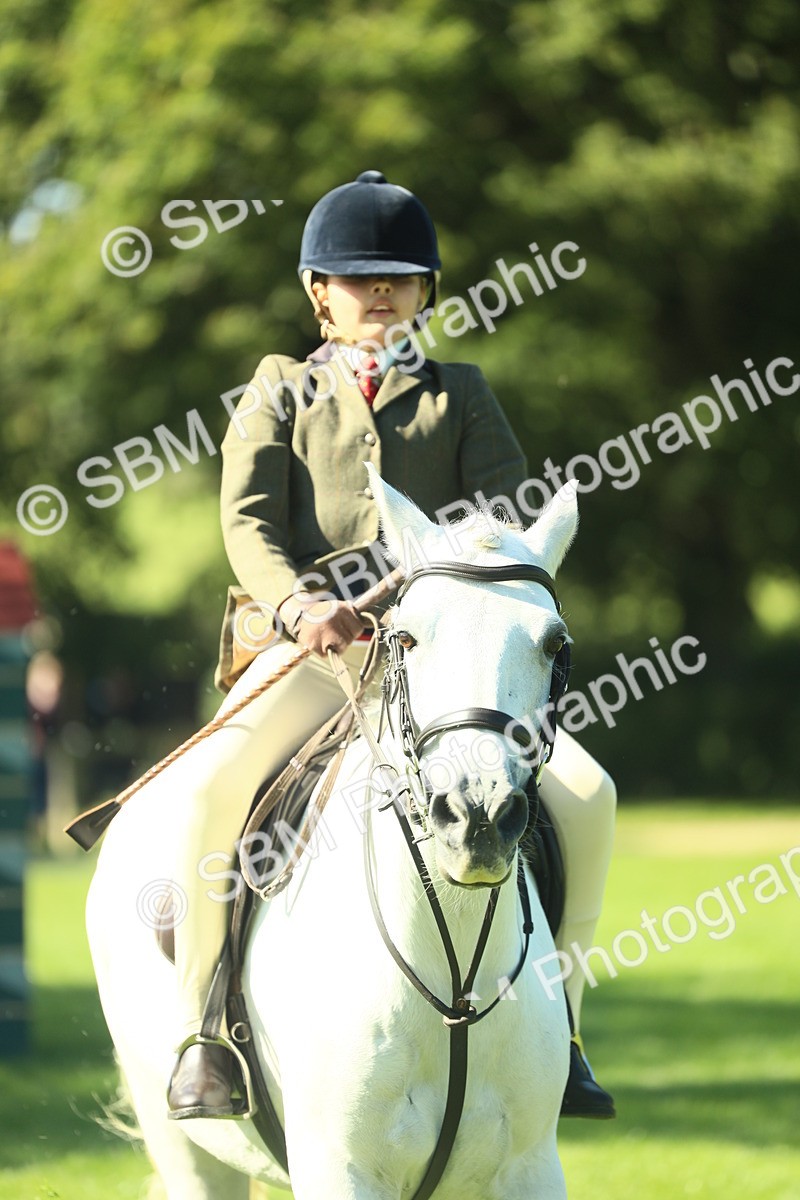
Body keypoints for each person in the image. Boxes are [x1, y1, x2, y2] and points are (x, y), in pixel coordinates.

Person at [167, 171, 617, 1122]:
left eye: (400, 280)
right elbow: (249, 526)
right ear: (317, 293)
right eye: (357, 278)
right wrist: (298, 610)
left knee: (588, 794)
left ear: (426, 295)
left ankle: (565, 1029)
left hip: (433, 662)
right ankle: (208, 1033)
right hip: (311, 654)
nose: (380, 295)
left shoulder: (463, 394)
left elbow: (499, 525)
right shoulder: (278, 390)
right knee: (212, 792)